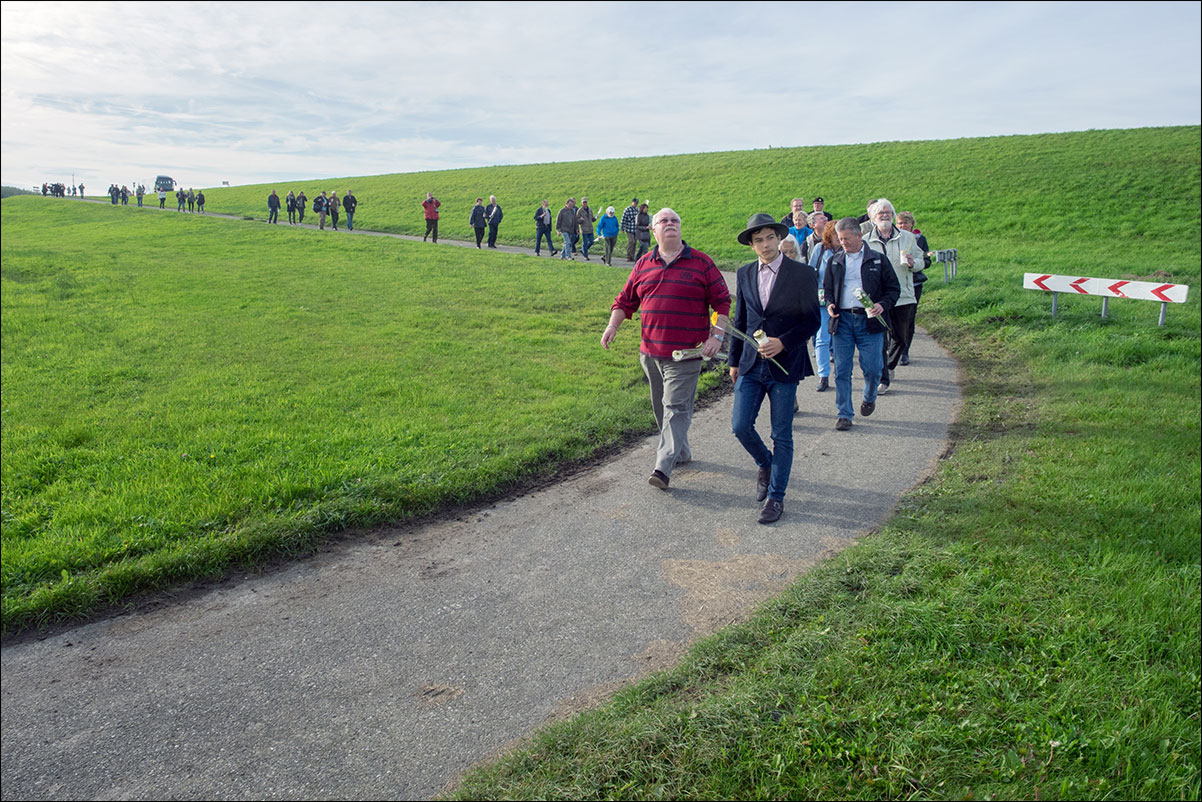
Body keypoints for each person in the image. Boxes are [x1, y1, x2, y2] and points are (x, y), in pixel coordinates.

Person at [602, 208, 731, 490]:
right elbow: (625, 301)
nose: (670, 224)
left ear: (680, 229)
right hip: (650, 353)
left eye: (675, 221)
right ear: (653, 230)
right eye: (664, 221)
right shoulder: (643, 263)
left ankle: (663, 466)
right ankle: (681, 452)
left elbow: (722, 301)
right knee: (663, 407)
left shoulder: (701, 263)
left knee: (675, 406)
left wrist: (717, 336)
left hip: (686, 354)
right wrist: (613, 326)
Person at [728, 214, 820, 524]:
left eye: (769, 238)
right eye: (758, 240)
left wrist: (783, 342)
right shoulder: (744, 274)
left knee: (782, 434)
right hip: (751, 365)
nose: (765, 245)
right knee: (740, 426)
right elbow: (741, 321)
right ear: (751, 246)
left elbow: (812, 321)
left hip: (785, 365)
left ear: (778, 239)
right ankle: (764, 463)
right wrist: (733, 361)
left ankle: (776, 498)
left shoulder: (802, 274)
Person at [823, 218, 901, 431]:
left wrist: (882, 305)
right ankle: (844, 413)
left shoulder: (878, 260)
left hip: (870, 322)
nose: (843, 243)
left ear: (859, 236)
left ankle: (869, 396)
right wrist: (830, 304)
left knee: (873, 368)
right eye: (840, 239)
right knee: (841, 369)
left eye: (847, 238)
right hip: (843, 321)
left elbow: (893, 290)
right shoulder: (835, 261)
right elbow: (827, 290)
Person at [862, 199, 923, 394]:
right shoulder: (865, 240)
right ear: (873, 217)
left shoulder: (907, 237)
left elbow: (922, 259)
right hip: (878, 298)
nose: (885, 215)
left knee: (901, 337)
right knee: (880, 338)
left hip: (903, 295)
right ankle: (883, 377)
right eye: (881, 213)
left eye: (888, 212)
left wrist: (914, 263)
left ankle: (889, 366)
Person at [806, 220, 840, 392]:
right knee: (822, 339)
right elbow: (811, 271)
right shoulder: (820, 249)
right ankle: (824, 375)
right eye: (835, 234)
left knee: (841, 338)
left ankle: (842, 374)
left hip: (842, 301)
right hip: (822, 301)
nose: (839, 238)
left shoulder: (848, 250)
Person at [895, 211, 929, 365]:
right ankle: (894, 347)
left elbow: (926, 261)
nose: (903, 226)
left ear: (911, 225)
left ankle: (905, 351)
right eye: (900, 223)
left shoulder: (919, 239)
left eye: (905, 223)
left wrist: (913, 263)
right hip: (897, 282)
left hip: (914, 283)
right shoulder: (894, 239)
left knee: (909, 317)